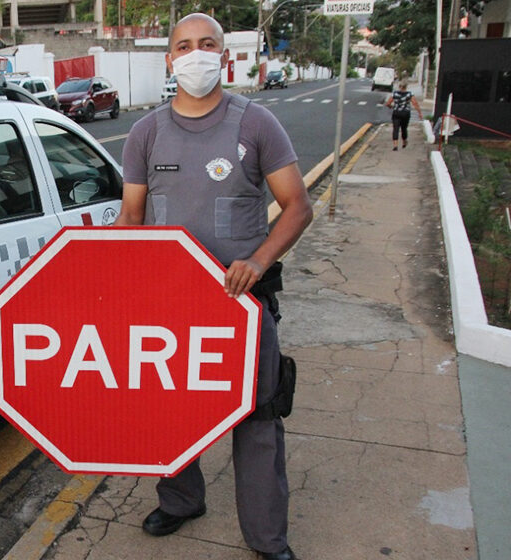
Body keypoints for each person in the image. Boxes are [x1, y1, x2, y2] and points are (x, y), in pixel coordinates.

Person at [115, 13, 313, 560]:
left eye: (207, 45)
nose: (195, 54)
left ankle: (268, 540)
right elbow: (130, 219)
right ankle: (180, 501)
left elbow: (298, 206)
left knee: (257, 418)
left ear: (224, 58)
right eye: (184, 46)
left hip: (242, 305)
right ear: (169, 60)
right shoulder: (146, 132)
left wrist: (258, 259)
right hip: (168, 308)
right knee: (169, 413)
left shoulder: (256, 124)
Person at [385, 82, 423, 150]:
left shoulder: (394, 93)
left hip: (396, 113)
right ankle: (404, 142)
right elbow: (415, 103)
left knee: (395, 129)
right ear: (406, 87)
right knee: (404, 128)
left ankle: (395, 145)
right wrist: (419, 113)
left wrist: (392, 107)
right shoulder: (409, 94)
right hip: (405, 113)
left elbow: (388, 103)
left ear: (399, 87)